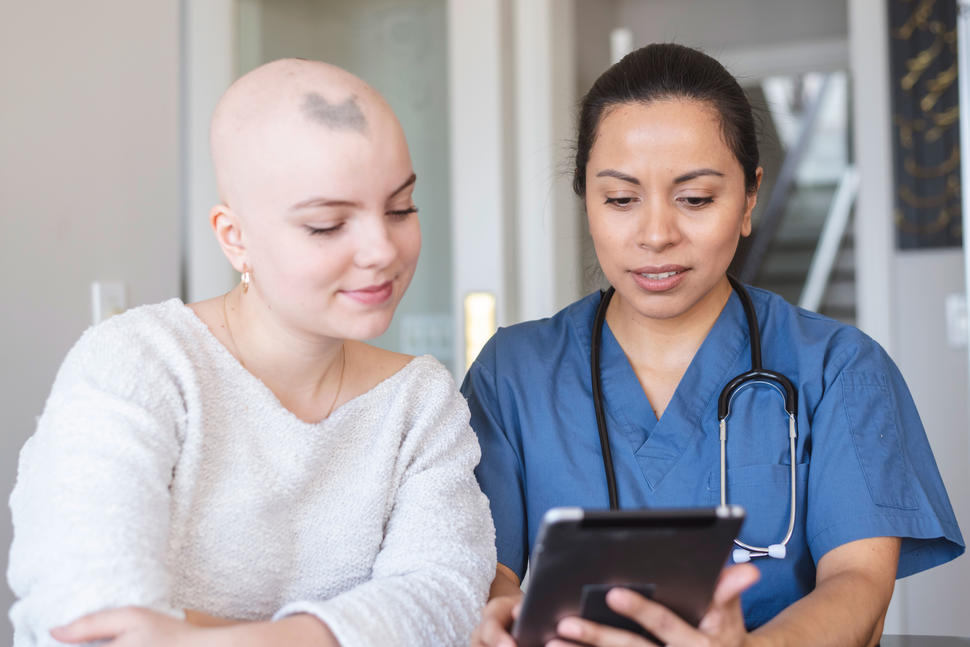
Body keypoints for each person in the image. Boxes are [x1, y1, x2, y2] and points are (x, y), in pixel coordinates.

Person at [465, 43, 964, 647]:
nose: (656, 235)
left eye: (695, 198)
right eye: (621, 199)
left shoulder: (838, 368)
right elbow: (486, 567)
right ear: (587, 200)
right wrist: (505, 616)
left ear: (751, 197)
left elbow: (859, 584)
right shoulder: (511, 375)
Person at [8, 58, 495, 647]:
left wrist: (197, 638)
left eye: (400, 209)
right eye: (327, 224)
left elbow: (446, 600)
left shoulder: (419, 399)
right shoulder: (137, 364)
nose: (381, 250)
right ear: (234, 237)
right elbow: (83, 619)